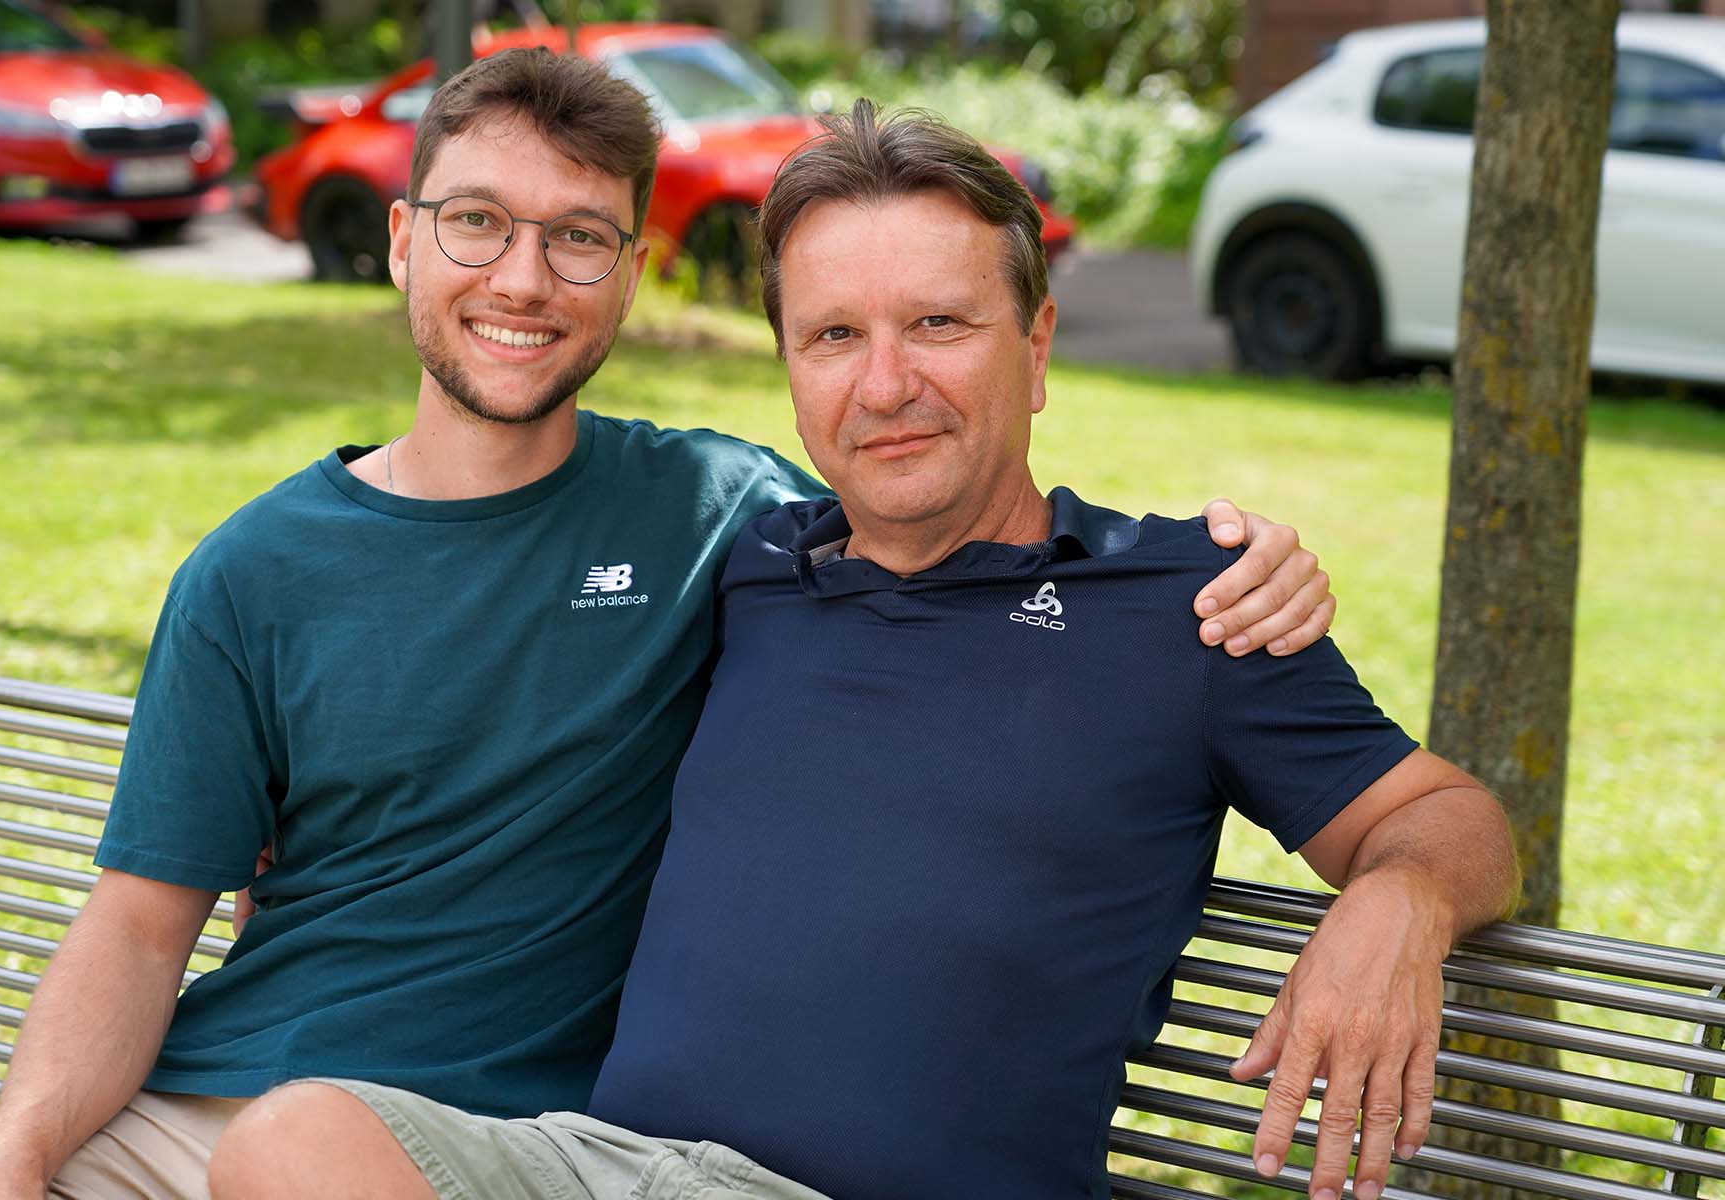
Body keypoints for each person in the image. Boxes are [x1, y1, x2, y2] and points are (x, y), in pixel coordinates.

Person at [0, 58, 1334, 1200]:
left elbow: (948, 496)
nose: (522, 281)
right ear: (401, 243)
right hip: (222, 1120)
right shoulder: (255, 574)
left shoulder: (724, 520)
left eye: (577, 238)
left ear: (630, 272)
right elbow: (141, 933)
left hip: (501, 1152)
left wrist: (1236, 563)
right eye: (477, 225)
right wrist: (6, 1168)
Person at [203, 101, 1521, 1200]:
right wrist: (289, 796)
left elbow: (1450, 818)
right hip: (608, 1168)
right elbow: (490, 635)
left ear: (1039, 346)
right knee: (291, 1146)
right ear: (789, 366)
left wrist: (1398, 901)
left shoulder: (1187, 607)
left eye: (939, 325)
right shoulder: (745, 567)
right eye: (835, 336)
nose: (884, 385)